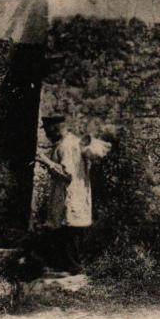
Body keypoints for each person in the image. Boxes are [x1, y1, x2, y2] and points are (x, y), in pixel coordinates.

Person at [35, 116, 111, 274]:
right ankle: (68, 267)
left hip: (70, 193)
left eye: (48, 132)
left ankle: (73, 269)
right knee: (69, 232)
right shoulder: (71, 142)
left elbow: (66, 174)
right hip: (73, 192)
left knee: (69, 233)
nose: (48, 136)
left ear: (56, 129)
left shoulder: (66, 146)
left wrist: (45, 161)